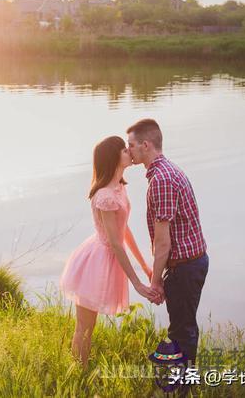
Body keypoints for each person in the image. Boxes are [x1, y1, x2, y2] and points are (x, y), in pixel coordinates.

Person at [60, 136, 157, 368]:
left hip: (109, 256)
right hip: (96, 261)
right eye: (124, 149)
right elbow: (115, 242)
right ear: (113, 157)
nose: (129, 151)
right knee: (84, 326)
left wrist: (145, 266)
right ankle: (79, 375)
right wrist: (137, 283)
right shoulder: (104, 195)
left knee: (88, 327)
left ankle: (81, 371)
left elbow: (124, 231)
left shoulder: (119, 188)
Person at [126, 118, 209, 369]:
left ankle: (182, 387)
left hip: (185, 266)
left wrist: (154, 282)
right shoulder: (167, 171)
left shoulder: (161, 180)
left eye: (131, 145)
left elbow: (163, 243)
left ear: (146, 145)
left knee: (181, 331)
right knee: (185, 326)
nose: (128, 150)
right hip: (189, 263)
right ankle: (184, 381)